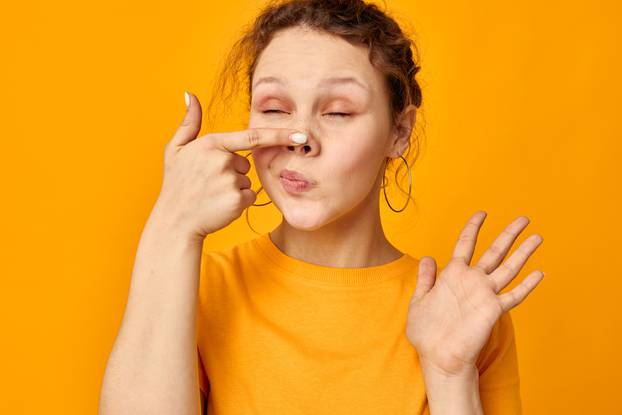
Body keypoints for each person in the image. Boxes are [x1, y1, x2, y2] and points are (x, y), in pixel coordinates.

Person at [98, 1, 545, 414]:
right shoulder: (195, 287)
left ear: (399, 132)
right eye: (274, 108)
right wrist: (171, 226)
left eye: (337, 112)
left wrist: (450, 378)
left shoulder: (460, 312)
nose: (299, 138)